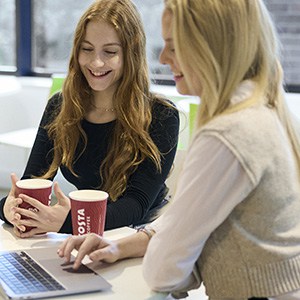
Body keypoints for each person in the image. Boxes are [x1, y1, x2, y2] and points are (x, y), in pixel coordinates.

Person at [58, 0, 300, 299]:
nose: (163, 57)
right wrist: (120, 246)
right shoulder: (258, 111)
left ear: (211, 46)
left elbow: (164, 270)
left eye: (174, 46)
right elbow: (184, 218)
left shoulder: (227, 134)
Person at [0, 0, 179, 238]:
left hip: (137, 237)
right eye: (87, 49)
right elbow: (34, 181)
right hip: (83, 235)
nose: (96, 63)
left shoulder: (161, 115)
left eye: (110, 52)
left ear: (131, 54)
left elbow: (135, 206)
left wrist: (63, 222)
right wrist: (10, 208)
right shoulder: (61, 106)